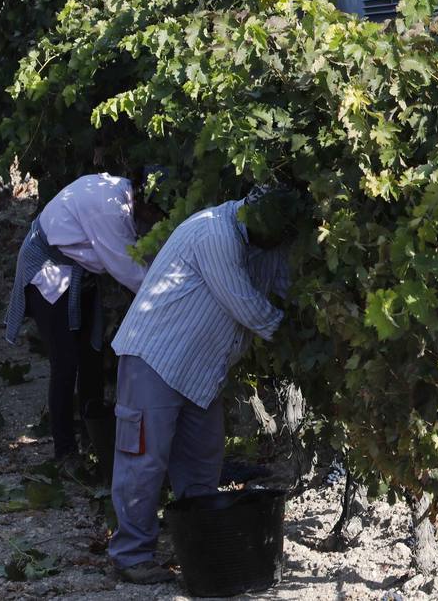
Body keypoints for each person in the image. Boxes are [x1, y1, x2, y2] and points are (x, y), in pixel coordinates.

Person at [107, 186, 304, 585]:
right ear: (251, 214)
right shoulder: (214, 232)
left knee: (201, 463)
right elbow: (247, 305)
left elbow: (287, 289)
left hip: (201, 371)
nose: (274, 244)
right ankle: (132, 555)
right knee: (143, 460)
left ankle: (195, 544)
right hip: (155, 359)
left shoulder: (269, 241)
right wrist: (298, 341)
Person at [4, 170, 164, 463]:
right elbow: (131, 272)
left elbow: (144, 258)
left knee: (91, 354)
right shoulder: (110, 208)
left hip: (79, 272)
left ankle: (94, 441)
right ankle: (65, 451)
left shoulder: (126, 199)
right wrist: (169, 304)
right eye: (156, 213)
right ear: (145, 202)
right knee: (65, 362)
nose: (157, 220)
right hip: (49, 272)